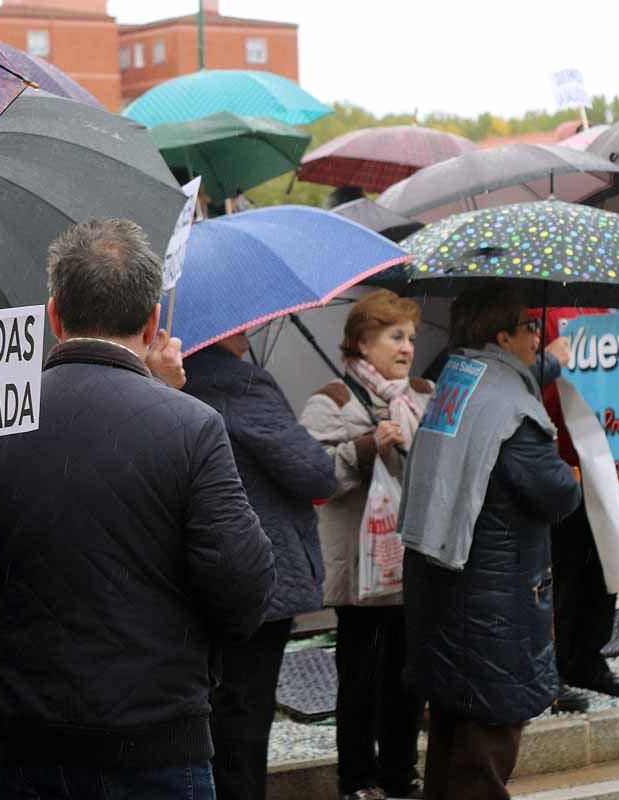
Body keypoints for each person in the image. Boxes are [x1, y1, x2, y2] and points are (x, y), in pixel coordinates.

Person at [0, 218, 275, 800]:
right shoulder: (190, 426)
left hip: (21, 734)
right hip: (155, 734)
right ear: (154, 321)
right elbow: (243, 585)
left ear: (55, 316)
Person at [400, 286, 582, 800]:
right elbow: (556, 493)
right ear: (502, 336)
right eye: (529, 327)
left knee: (452, 734)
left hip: (443, 583)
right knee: (487, 743)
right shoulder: (513, 412)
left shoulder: (459, 379)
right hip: (492, 597)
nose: (537, 336)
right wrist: (572, 475)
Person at [183, 332, 337, 800]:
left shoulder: (170, 381)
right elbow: (314, 472)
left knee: (210, 709)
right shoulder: (240, 383)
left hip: (195, 575)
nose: (248, 337)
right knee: (245, 714)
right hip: (260, 574)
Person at [299, 289, 433, 800]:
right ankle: (357, 779)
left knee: (408, 676)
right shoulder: (330, 401)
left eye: (411, 338)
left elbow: (444, 473)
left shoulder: (422, 394)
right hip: (359, 571)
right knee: (360, 678)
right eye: (395, 336)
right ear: (361, 342)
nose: (406, 348)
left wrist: (411, 444)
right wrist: (362, 447)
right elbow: (312, 479)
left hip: (411, 562)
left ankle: (402, 773)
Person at [535, 306, 619, 702]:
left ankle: (589, 657)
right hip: (562, 460)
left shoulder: (611, 310)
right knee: (563, 570)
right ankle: (556, 664)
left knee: (604, 563)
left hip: (609, 458)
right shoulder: (541, 312)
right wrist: (549, 361)